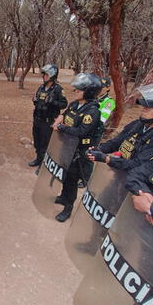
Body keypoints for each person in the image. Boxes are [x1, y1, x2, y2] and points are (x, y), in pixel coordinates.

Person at [52, 73, 103, 222]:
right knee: (65, 175)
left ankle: (68, 208)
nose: (75, 92)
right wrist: (59, 119)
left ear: (89, 92)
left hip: (78, 152)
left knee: (72, 180)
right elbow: (65, 113)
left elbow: (81, 132)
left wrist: (61, 128)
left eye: (78, 90)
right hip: (67, 147)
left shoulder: (92, 111)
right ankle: (63, 196)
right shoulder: (75, 104)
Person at [87, 81, 153, 172]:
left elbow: (138, 164)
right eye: (144, 106)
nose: (144, 109)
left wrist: (107, 159)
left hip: (137, 182)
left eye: (150, 107)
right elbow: (117, 141)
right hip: (120, 175)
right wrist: (99, 149)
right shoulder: (137, 124)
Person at [29, 64, 68, 167]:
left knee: (45, 144)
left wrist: (53, 102)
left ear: (52, 76)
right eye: (44, 75)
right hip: (37, 119)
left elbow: (64, 104)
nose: (44, 77)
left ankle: (44, 165)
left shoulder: (58, 89)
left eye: (46, 75)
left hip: (48, 122)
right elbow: (39, 102)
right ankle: (38, 159)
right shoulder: (41, 87)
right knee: (37, 141)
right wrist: (35, 100)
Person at [126, 151, 153, 229]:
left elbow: (151, 207)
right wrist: (146, 194)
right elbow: (134, 175)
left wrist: (151, 208)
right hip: (143, 229)